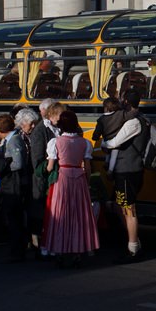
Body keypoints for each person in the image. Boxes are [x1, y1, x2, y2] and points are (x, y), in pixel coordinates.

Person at [43, 110, 99, 267]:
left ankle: (60, 251)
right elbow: (87, 167)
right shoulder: (84, 143)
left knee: (61, 214)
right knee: (78, 216)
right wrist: (86, 183)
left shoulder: (55, 142)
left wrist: (44, 172)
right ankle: (77, 251)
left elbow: (50, 166)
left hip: (63, 178)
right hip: (79, 178)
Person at [99, 90, 146, 262]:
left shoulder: (133, 122)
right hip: (130, 169)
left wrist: (101, 143)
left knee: (129, 209)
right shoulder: (139, 118)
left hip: (127, 170)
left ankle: (133, 247)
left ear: (126, 101)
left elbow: (114, 143)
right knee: (122, 206)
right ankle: (133, 241)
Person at [0, 113, 31, 262]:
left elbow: (18, 163)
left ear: (2, 130)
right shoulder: (13, 139)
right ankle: (17, 249)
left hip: (13, 184)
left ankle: (17, 251)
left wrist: (3, 167)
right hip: (13, 184)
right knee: (15, 219)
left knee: (14, 218)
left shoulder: (13, 141)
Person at [29, 99, 63, 256]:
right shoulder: (40, 130)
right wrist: (48, 169)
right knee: (40, 210)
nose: (60, 119)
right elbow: (37, 161)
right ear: (51, 114)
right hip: (43, 179)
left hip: (54, 178)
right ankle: (38, 244)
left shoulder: (57, 129)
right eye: (58, 115)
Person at [91, 97, 129, 175]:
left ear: (106, 108)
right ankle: (110, 170)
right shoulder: (119, 115)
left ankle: (106, 162)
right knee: (114, 154)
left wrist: (95, 137)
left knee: (108, 151)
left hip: (105, 143)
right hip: (116, 143)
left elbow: (97, 133)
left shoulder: (101, 119)